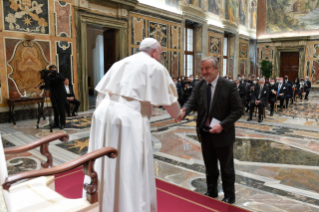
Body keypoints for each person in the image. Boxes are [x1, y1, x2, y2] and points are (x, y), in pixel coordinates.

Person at [83, 38, 180, 212]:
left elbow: (101, 92)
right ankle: (127, 206)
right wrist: (177, 115)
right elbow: (170, 100)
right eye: (160, 54)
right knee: (129, 164)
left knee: (104, 162)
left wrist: (102, 121)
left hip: (103, 114)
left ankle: (102, 203)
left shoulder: (120, 63)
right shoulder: (154, 65)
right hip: (128, 118)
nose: (159, 57)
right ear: (154, 52)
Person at [176, 57, 243, 204]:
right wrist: (182, 112)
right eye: (202, 69)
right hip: (205, 134)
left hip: (223, 134)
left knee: (226, 169)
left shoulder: (228, 85)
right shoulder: (199, 85)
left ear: (216, 69)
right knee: (210, 166)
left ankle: (229, 196)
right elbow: (191, 102)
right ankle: (211, 192)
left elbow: (238, 110)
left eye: (207, 68)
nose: (204, 72)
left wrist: (223, 125)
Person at [48, 65, 66, 129]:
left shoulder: (59, 75)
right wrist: (48, 76)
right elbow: (47, 84)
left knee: (61, 110)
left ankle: (63, 124)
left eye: (54, 70)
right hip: (53, 95)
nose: (53, 71)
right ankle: (56, 123)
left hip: (61, 95)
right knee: (55, 110)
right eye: (52, 70)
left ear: (56, 69)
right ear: (49, 70)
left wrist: (55, 74)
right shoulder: (49, 76)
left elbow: (63, 79)